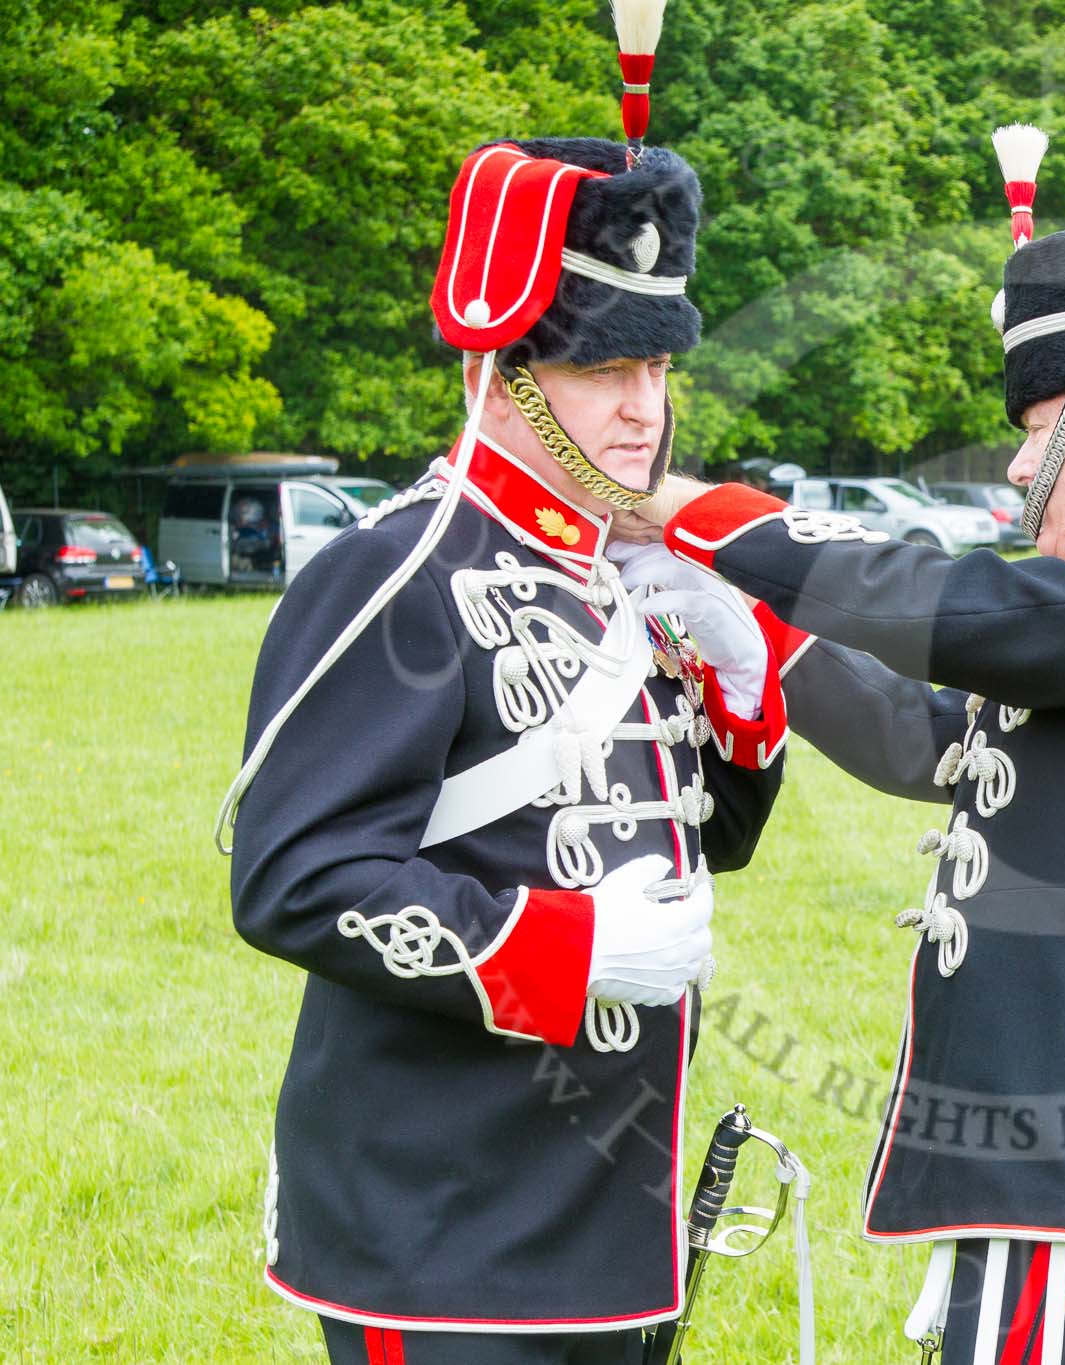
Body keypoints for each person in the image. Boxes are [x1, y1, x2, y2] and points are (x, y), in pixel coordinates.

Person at [618, 215, 1065, 1363]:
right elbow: (929, 741)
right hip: (1053, 1161)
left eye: (1041, 428)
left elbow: (963, 612)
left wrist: (699, 514)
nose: (1012, 465)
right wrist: (753, 639)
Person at [221, 103, 790, 1365]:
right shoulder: (398, 569)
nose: (645, 410)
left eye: (657, 370)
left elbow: (707, 843)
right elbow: (294, 880)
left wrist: (741, 685)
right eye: (604, 370)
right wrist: (567, 949)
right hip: (441, 1222)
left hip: (608, 1206)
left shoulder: (614, 572)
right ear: (504, 372)